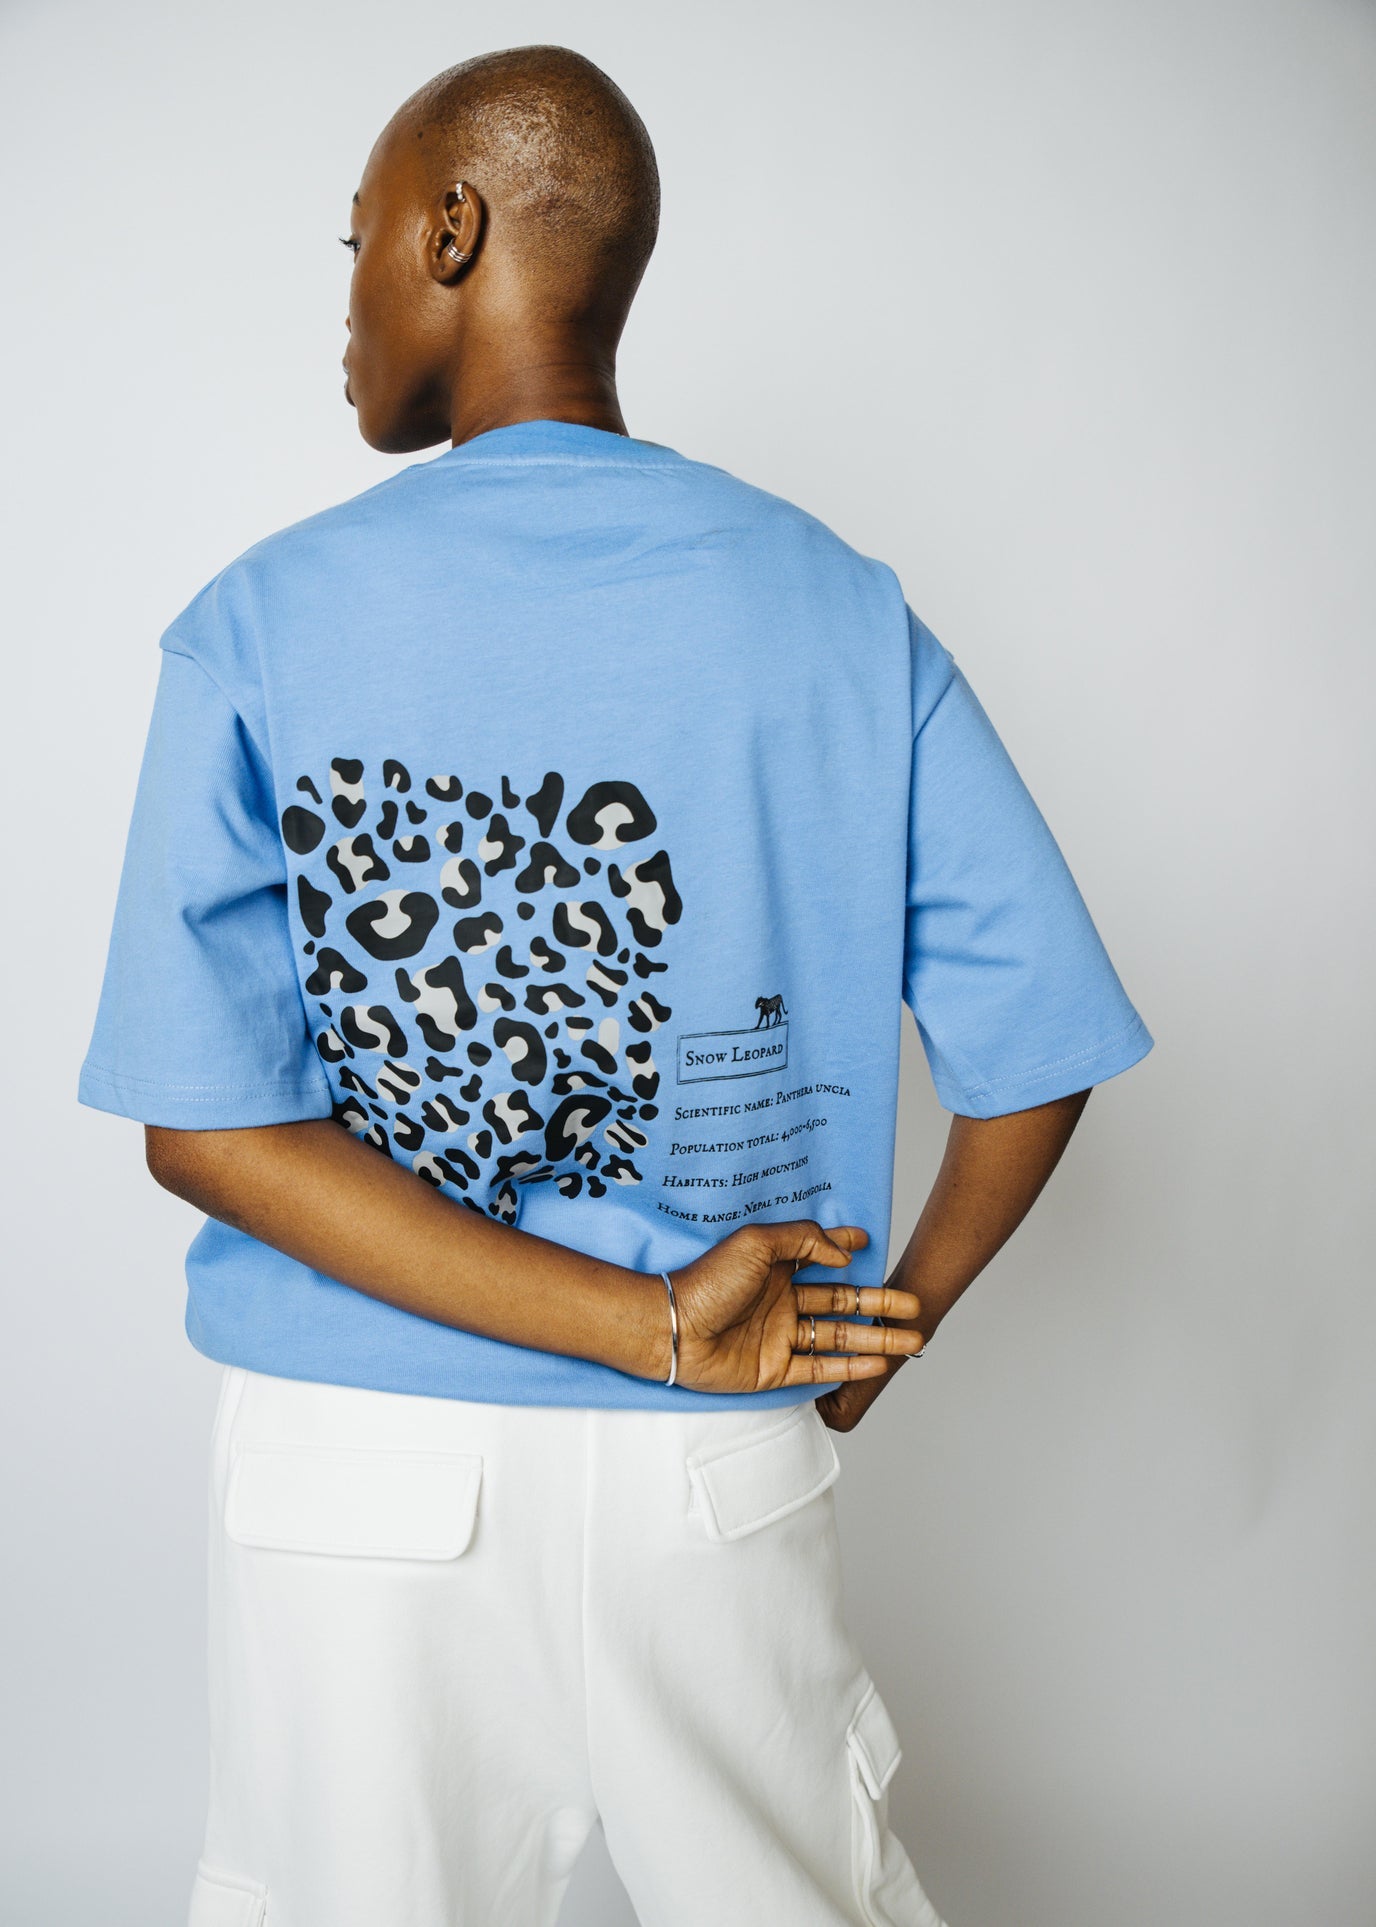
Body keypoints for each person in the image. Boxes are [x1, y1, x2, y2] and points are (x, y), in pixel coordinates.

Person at [77, 41, 1154, 1927]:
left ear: (450, 231)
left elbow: (212, 1133)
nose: (341, 306)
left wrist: (655, 1326)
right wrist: (873, 1324)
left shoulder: (260, 621)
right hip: (708, 1471)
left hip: (360, 1479)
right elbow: (1037, 1047)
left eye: (354, 243)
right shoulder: (839, 610)